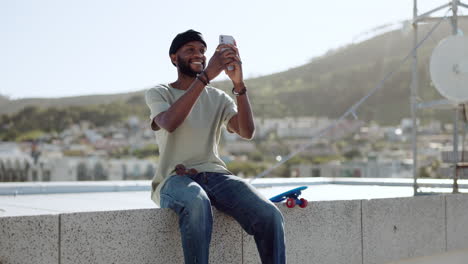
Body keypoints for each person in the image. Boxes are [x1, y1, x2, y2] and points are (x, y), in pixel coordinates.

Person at [145, 29, 285, 264]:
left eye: (202, 50)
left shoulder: (219, 98)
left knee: (269, 214)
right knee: (197, 202)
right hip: (174, 179)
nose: (198, 54)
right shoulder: (160, 92)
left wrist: (239, 84)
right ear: (173, 57)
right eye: (189, 50)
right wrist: (206, 76)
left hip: (215, 175)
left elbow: (246, 132)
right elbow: (169, 122)